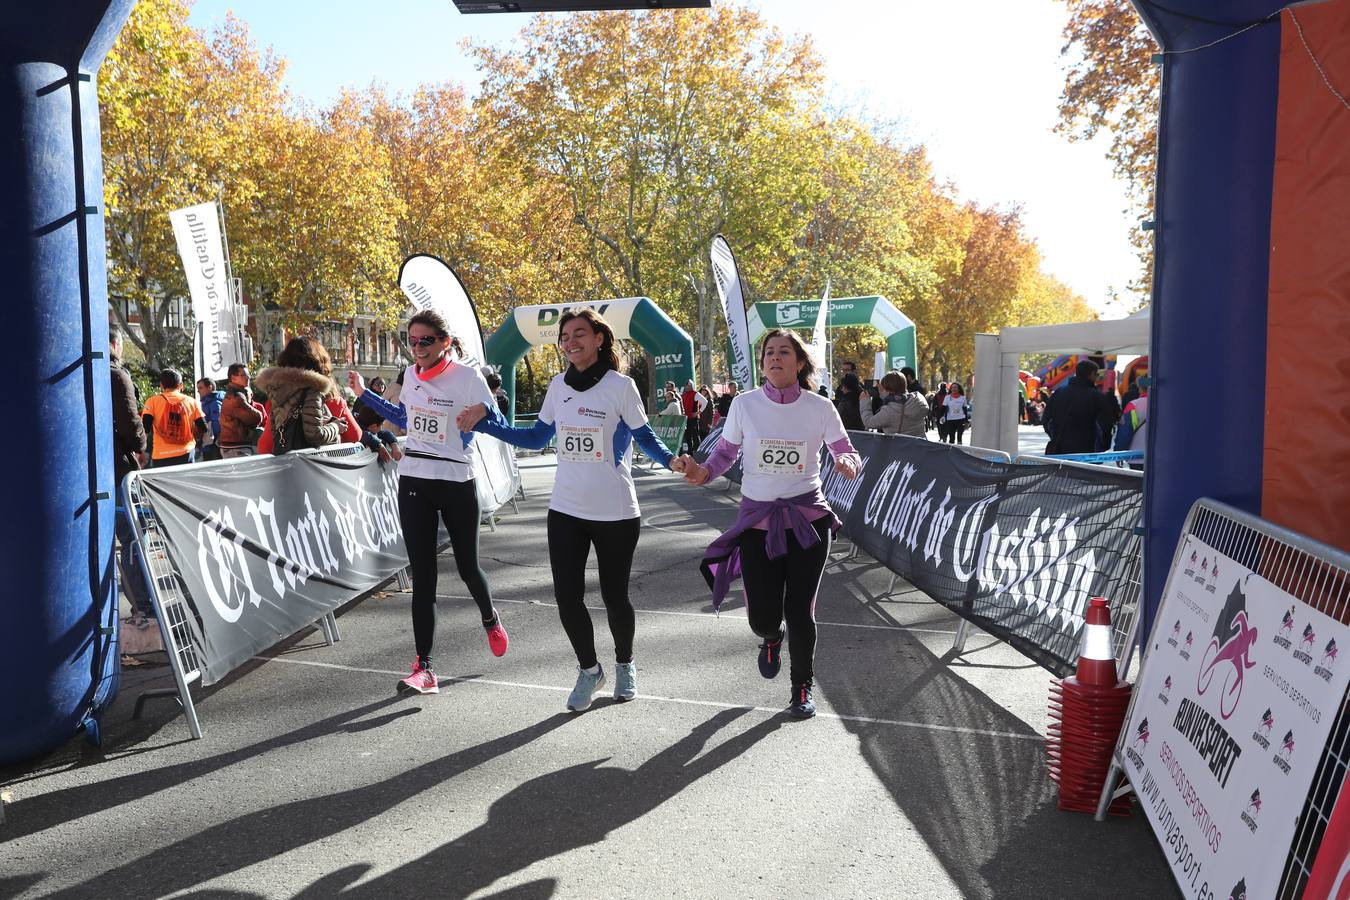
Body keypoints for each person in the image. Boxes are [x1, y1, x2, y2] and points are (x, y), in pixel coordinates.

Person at [457, 308, 679, 712]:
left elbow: (646, 437)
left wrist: (672, 461)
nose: (570, 341)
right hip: (566, 510)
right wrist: (485, 422)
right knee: (567, 598)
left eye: (579, 333)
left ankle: (625, 664)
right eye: (565, 336)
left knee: (615, 597)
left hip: (615, 511)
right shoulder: (558, 386)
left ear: (598, 339)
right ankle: (588, 669)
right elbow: (537, 435)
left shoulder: (621, 386)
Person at [678, 329, 860, 719]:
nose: (775, 358)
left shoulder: (819, 407)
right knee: (763, 616)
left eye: (784, 352)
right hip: (757, 522)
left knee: (800, 610)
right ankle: (770, 637)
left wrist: (848, 463)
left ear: (799, 362)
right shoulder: (745, 405)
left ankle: (801, 688)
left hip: (808, 521)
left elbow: (845, 449)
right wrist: (703, 472)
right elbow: (725, 453)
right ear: (762, 363)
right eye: (769, 353)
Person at [350, 310, 509, 695]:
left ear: (445, 343)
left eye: (425, 341)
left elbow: (498, 420)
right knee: (424, 578)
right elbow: (403, 418)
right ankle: (425, 668)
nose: (417, 347)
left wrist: (483, 411)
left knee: (468, 568)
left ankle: (490, 618)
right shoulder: (411, 378)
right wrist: (363, 395)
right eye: (413, 340)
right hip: (416, 480)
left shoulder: (468, 377)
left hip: (456, 479)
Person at [110, 328, 151, 618]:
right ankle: (143, 607)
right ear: (115, 344)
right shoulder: (116, 375)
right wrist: (141, 445)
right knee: (134, 535)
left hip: (90, 467)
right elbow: (130, 422)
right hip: (117, 467)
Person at [255, 337, 344, 455]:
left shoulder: (276, 389)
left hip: (284, 460)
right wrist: (336, 427)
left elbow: (275, 431)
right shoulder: (312, 389)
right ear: (313, 359)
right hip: (307, 463)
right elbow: (314, 435)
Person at [1042, 359, 1117, 454]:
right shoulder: (1096, 396)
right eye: (1096, 374)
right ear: (1091, 374)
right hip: (1086, 449)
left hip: (1060, 448)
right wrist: (1104, 445)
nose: (1097, 377)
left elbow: (1046, 419)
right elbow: (1105, 424)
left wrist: (1054, 436)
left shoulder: (1058, 392)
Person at [142, 369, 206, 467]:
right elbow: (203, 427)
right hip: (186, 452)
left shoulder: (152, 402)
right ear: (180, 385)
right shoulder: (192, 401)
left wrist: (140, 451)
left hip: (161, 455)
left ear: (161, 385)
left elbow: (145, 428)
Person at [218, 364, 265, 459]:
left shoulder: (239, 393)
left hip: (235, 445)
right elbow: (255, 418)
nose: (248, 378)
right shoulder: (236, 397)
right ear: (233, 378)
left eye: (248, 375)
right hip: (235, 447)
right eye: (244, 375)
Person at [861, 372, 928, 438]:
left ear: (888, 389)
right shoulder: (917, 401)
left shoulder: (889, 411)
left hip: (900, 447)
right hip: (919, 446)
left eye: (883, 387)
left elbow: (868, 422)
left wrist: (865, 401)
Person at [196, 378, 224, 460]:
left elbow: (217, 422)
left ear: (210, 387)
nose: (198, 391)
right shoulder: (207, 402)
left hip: (214, 445)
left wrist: (217, 439)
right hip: (209, 444)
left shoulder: (214, 402)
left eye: (200, 388)